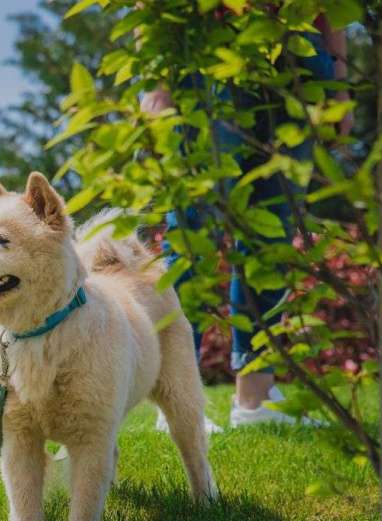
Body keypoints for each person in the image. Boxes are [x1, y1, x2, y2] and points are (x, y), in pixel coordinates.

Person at [142, 15, 352, 431]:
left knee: (271, 233)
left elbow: (334, 8)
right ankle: (178, 400)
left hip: (299, 54)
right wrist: (158, 78)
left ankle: (255, 397)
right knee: (194, 231)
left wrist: (338, 81)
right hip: (208, 49)